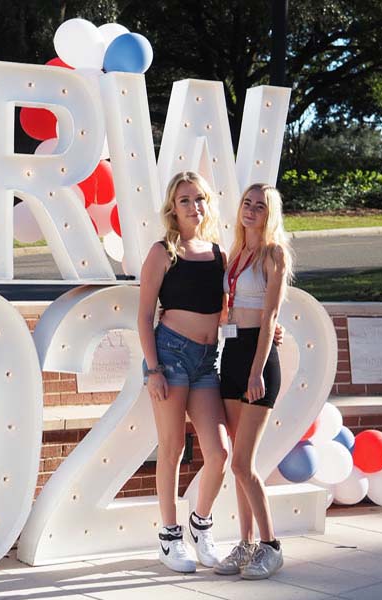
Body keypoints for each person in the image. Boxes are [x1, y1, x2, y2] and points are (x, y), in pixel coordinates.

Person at [138, 171, 229, 573]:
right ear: (173, 209)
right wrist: (153, 369)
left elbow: (227, 312)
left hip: (207, 360)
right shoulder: (163, 252)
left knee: (219, 453)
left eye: (199, 199)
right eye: (185, 200)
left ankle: (201, 524)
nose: (194, 206)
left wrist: (268, 328)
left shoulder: (218, 254)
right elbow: (143, 315)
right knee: (172, 448)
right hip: (170, 356)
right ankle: (170, 537)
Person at [214, 183, 293, 580]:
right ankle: (245, 545)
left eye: (259, 206)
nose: (251, 210)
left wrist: (257, 369)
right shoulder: (235, 253)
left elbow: (270, 317)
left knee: (244, 463)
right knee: (236, 466)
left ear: (269, 214)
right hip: (231, 355)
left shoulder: (272, 255)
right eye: (247, 202)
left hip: (257, 360)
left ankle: (271, 545)